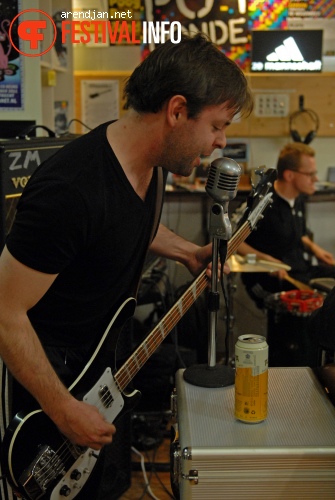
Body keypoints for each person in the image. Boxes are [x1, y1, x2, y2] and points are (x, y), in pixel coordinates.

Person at [0, 33, 253, 499]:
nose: (221, 143)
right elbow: (4, 312)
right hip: (48, 397)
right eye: (218, 125)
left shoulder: (151, 167)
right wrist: (61, 409)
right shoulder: (70, 189)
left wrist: (186, 252)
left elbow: (123, 224)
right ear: (177, 111)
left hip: (104, 378)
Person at [237, 142, 335, 307]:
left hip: (299, 269)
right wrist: (265, 260)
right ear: (290, 176)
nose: (316, 179)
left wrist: (315, 249)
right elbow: (236, 242)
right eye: (310, 174)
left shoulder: (299, 198)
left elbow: (298, 233)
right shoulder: (262, 203)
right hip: (270, 279)